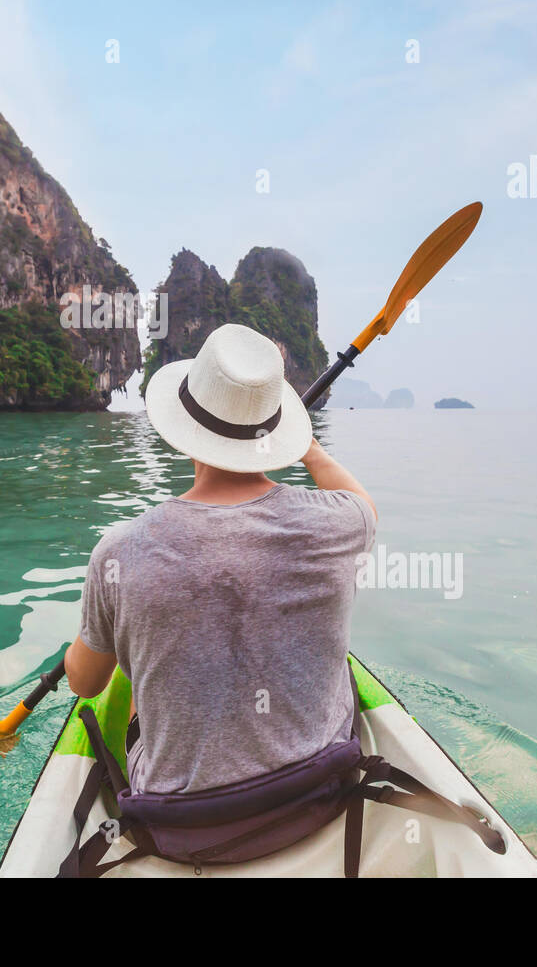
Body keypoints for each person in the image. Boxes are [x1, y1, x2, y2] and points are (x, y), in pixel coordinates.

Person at [64, 322, 376, 795]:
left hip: (185, 823)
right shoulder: (342, 524)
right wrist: (307, 449)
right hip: (319, 793)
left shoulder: (119, 551)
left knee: (128, 683)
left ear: (182, 427)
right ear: (277, 432)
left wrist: (95, 629)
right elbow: (365, 506)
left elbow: (85, 684)